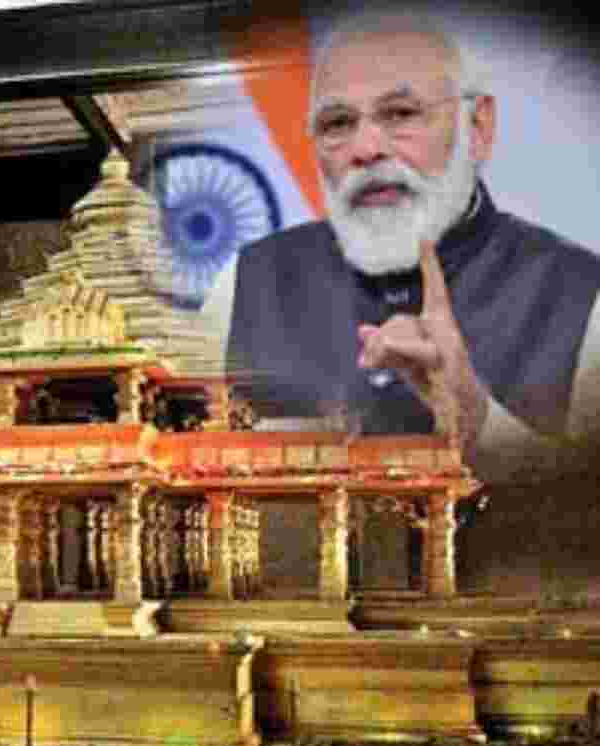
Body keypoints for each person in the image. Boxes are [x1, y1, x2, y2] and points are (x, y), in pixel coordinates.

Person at [207, 13, 600, 480]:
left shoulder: (582, 295)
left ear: (477, 127)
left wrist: (481, 425)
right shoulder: (245, 282)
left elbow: (580, 502)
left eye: (400, 114)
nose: (365, 148)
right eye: (337, 123)